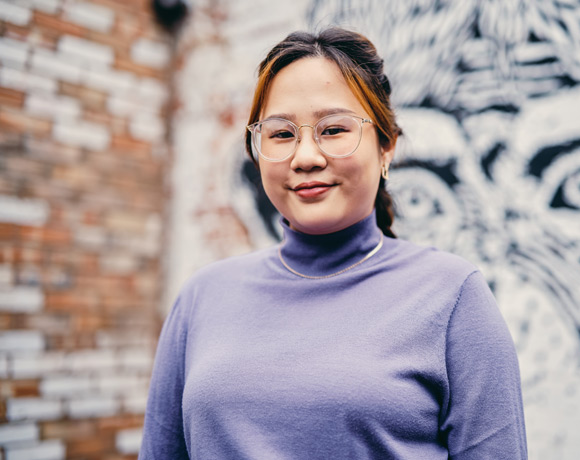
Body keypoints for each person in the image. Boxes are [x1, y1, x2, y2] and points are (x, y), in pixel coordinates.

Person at [139, 27, 527, 460]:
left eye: (334, 129)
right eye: (281, 134)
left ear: (386, 149)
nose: (306, 157)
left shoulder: (453, 297)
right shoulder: (202, 297)